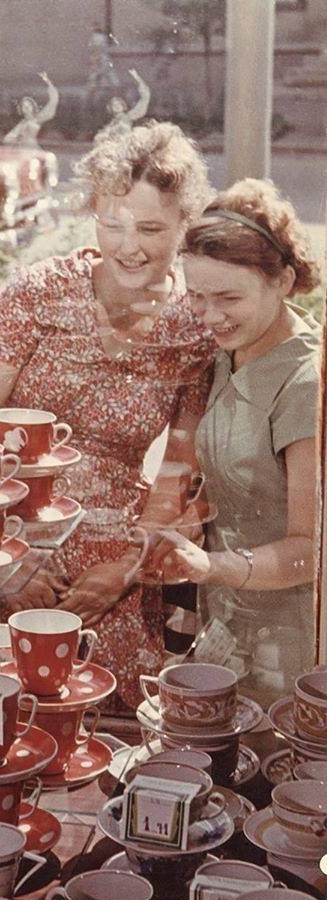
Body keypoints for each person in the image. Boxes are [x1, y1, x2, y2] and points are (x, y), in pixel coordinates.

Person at [0, 121, 216, 711]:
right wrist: (3, 560)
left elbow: (178, 466)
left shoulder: (195, 326)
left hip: (113, 557)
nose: (129, 245)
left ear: (185, 227)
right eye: (112, 223)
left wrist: (127, 566)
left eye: (150, 228)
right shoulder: (37, 294)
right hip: (8, 538)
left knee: (103, 725)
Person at [158, 179, 321, 706]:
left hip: (290, 645)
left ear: (284, 280)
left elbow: (310, 549)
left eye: (228, 298)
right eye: (198, 298)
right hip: (228, 623)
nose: (209, 317)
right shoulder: (233, 350)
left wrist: (213, 566)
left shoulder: (307, 384)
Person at [4, 72, 59, 150]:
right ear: (21, 109)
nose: (26, 108)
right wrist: (18, 140)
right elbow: (7, 139)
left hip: (33, 148)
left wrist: (48, 82)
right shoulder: (22, 123)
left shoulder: (38, 118)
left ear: (33, 107)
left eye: (28, 105)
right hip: (23, 150)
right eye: (24, 106)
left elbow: (53, 101)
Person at [94, 69, 150, 143]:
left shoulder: (129, 116)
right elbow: (99, 138)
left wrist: (138, 79)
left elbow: (145, 98)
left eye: (119, 104)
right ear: (110, 108)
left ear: (123, 106)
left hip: (126, 147)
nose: (117, 106)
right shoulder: (112, 123)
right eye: (114, 105)